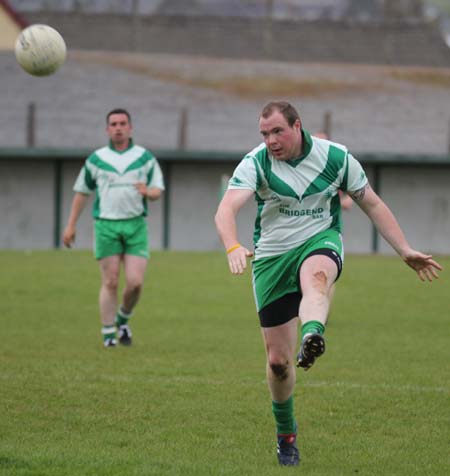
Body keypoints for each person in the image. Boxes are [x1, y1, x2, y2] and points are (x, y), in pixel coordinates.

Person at [214, 101, 441, 466]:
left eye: (277, 132)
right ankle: (286, 435)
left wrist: (405, 249)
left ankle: (313, 334)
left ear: (297, 126)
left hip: (321, 239)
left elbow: (373, 205)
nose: (270, 140)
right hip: (271, 257)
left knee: (316, 280)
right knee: (277, 363)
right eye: (264, 134)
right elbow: (226, 209)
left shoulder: (336, 157)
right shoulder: (255, 162)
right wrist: (232, 245)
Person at [63, 108, 165, 348]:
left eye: (122, 123)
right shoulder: (97, 159)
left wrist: (146, 191)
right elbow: (82, 193)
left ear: (130, 128)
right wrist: (70, 225)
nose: (118, 127)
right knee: (110, 281)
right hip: (106, 225)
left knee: (135, 283)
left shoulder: (145, 158)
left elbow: (157, 191)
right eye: (113, 124)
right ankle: (109, 334)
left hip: (135, 225)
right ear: (107, 129)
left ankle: (123, 318)